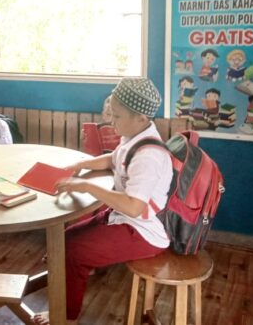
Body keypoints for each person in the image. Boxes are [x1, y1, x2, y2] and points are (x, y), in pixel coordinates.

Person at [33, 77, 173, 325]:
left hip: (143, 231)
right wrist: (81, 165)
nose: (111, 121)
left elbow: (133, 205)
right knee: (64, 240)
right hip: (123, 217)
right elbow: (112, 160)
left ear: (141, 118)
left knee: (74, 251)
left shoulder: (148, 155)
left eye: (117, 116)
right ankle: (84, 271)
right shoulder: (133, 137)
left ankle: (66, 317)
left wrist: (87, 185)